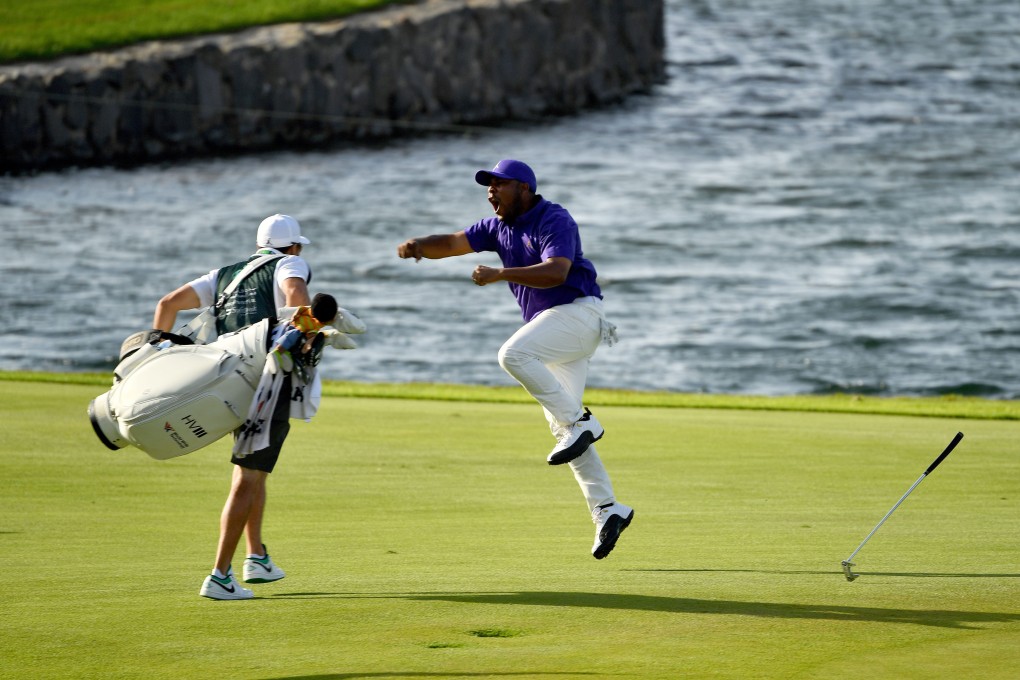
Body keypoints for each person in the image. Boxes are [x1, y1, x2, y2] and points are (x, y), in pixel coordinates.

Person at [396, 159, 634, 559]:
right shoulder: (496, 227)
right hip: (555, 328)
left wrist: (500, 274)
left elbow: (557, 272)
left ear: (524, 188)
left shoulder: (554, 218)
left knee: (513, 354)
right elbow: (453, 242)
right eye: (487, 186)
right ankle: (608, 508)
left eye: (499, 185)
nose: (490, 191)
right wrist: (419, 245)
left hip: (579, 314)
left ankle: (583, 421)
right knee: (564, 430)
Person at [153, 213, 314, 599]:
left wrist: (158, 351)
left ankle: (255, 556)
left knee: (253, 470)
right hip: (268, 383)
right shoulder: (290, 262)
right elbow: (295, 295)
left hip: (228, 386)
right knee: (247, 477)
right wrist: (305, 334)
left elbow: (168, 303)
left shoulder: (225, 274)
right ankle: (220, 576)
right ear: (293, 246)